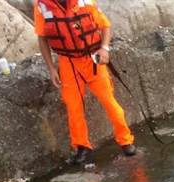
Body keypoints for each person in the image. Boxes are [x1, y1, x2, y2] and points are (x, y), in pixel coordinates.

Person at [34, 0, 136, 166]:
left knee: (109, 101)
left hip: (92, 59)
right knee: (73, 107)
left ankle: (126, 141)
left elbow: (105, 26)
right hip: (67, 63)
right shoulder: (41, 6)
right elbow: (42, 38)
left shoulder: (85, 1)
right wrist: (52, 68)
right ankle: (82, 147)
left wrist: (105, 48)